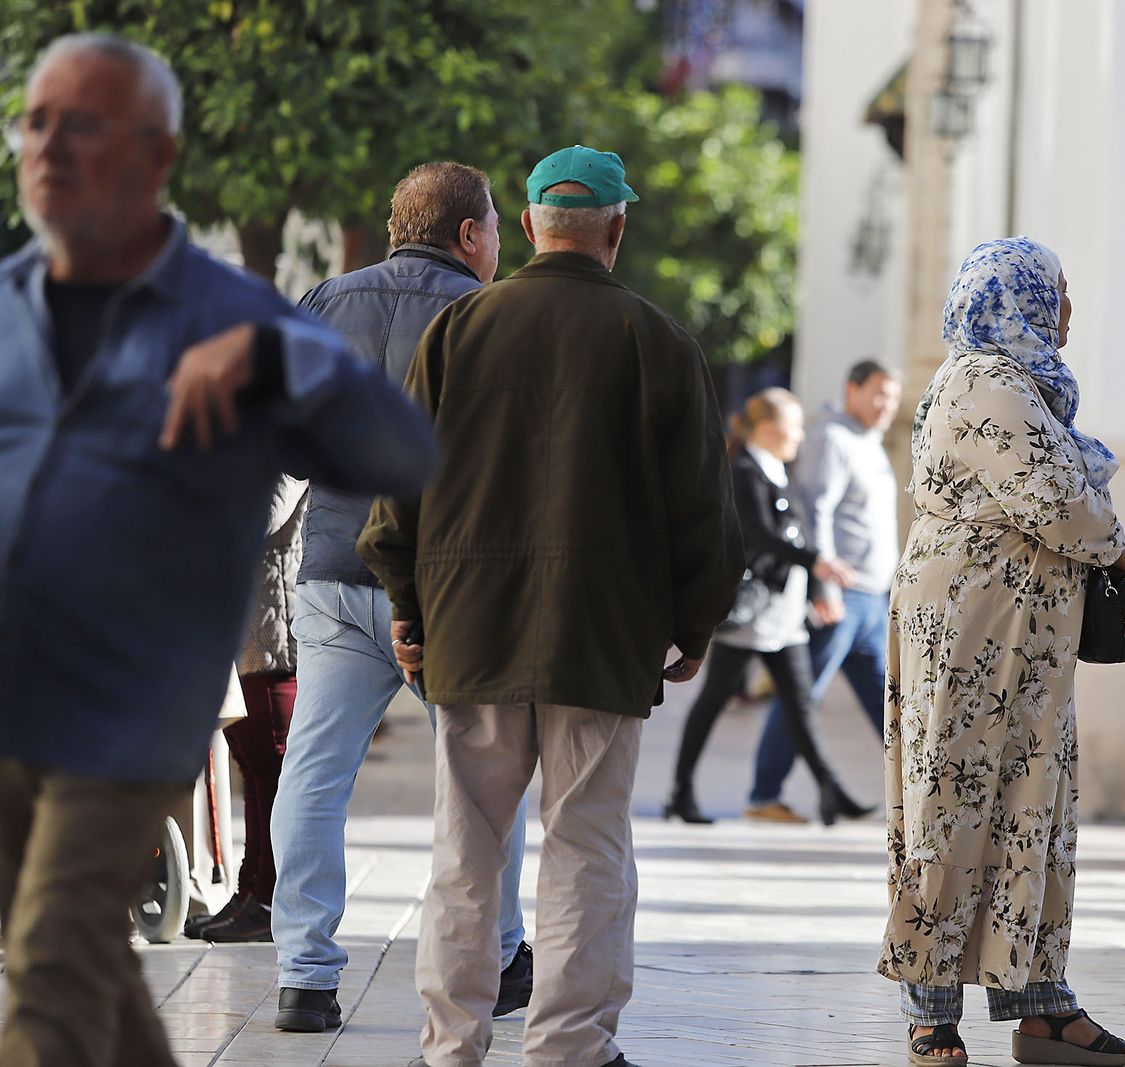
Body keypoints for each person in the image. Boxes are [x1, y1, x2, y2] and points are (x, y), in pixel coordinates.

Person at [0, 33, 435, 1067]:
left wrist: (281, 358)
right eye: (35, 121)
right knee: (66, 959)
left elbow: (401, 447)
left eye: (84, 124)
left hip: (132, 694)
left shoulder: (235, 311)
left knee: (54, 964)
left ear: (157, 155)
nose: (48, 145)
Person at [358, 144, 743, 1067]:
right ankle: (570, 1047)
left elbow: (395, 494)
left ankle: (450, 1046)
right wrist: (693, 626)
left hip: (471, 633)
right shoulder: (658, 342)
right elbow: (705, 513)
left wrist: (408, 609)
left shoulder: (457, 333)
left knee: (467, 850)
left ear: (529, 226)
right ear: (617, 227)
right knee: (587, 847)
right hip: (601, 640)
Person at [268, 161, 533, 1035]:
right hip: (449, 583)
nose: (498, 242)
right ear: (469, 234)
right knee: (484, 773)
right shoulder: (489, 315)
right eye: (495, 226)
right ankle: (500, 953)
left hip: (336, 573)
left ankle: (304, 975)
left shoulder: (323, 301)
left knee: (314, 769)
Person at [879, 238, 1125, 1066]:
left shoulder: (1015, 381)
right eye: (1057, 293)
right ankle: (931, 1015)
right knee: (952, 806)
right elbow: (1061, 499)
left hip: (1017, 641)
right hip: (971, 634)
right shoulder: (986, 381)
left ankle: (1042, 1003)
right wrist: (1118, 545)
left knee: (1028, 807)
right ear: (1016, 297)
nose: (1069, 312)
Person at [665, 388, 875, 827]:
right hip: (752, 613)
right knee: (714, 701)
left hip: (784, 613)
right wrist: (818, 563)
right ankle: (680, 792)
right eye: (796, 427)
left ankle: (830, 790)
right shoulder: (743, 469)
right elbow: (759, 534)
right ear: (772, 429)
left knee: (800, 704)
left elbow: (792, 536)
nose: (801, 436)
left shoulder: (776, 468)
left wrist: (816, 586)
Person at [746, 361, 902, 823]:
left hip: (873, 599)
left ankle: (924, 795)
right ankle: (763, 795)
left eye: (892, 398)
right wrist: (823, 586)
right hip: (841, 598)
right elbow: (815, 513)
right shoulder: (830, 440)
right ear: (851, 389)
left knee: (888, 701)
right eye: (878, 394)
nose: (886, 406)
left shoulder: (868, 443)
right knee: (801, 694)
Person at [185, 476, 309, 943]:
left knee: (271, 769)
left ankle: (269, 897)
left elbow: (259, 514)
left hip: (272, 630)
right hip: (241, 630)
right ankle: (251, 891)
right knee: (252, 768)